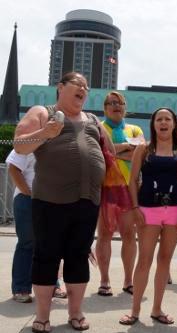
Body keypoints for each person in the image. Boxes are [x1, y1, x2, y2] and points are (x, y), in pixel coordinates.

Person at [14, 72, 111, 332]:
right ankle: (43, 316)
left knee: (78, 257)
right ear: (61, 87)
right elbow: (19, 145)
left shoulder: (92, 120)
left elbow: (110, 153)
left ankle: (75, 313)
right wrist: (45, 133)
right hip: (50, 200)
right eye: (78, 84)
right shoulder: (43, 112)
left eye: (86, 87)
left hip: (87, 200)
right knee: (46, 257)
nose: (83, 89)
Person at [119, 107, 177, 326]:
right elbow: (132, 181)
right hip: (147, 210)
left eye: (167, 119)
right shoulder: (143, 149)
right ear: (153, 124)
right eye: (159, 119)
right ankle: (134, 311)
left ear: (174, 124)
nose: (163, 122)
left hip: (176, 211)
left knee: (165, 261)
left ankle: (157, 309)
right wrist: (135, 209)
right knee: (144, 260)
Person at [96, 91, 144, 297]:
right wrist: (126, 148)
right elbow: (98, 152)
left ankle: (128, 280)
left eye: (120, 103)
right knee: (104, 235)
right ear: (105, 108)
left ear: (125, 107)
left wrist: (113, 150)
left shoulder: (135, 129)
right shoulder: (97, 126)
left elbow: (140, 152)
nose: (116, 106)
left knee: (129, 235)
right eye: (111, 103)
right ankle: (104, 280)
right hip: (104, 188)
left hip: (129, 188)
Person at [6, 150, 67, 304]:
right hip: (28, 200)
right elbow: (13, 168)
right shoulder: (28, 141)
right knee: (28, 243)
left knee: (52, 246)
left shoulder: (61, 142)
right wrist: (29, 192)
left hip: (54, 201)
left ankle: (53, 286)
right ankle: (21, 288)